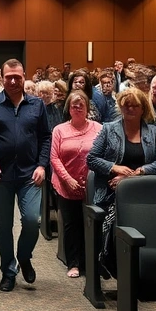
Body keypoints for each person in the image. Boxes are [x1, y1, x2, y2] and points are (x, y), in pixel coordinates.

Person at [0, 59, 51, 292]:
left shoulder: (37, 105)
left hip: (31, 173)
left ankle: (24, 256)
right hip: (1, 175)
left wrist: (42, 165)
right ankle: (8, 271)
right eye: (8, 77)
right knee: (4, 225)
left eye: (17, 77)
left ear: (23, 76)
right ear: (2, 78)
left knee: (32, 220)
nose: (12, 80)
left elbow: (46, 138)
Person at [88, 87, 156, 275]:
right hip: (110, 192)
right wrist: (114, 167)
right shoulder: (108, 129)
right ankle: (113, 264)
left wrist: (136, 173)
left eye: (134, 105)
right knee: (117, 221)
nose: (130, 109)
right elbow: (92, 159)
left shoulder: (154, 133)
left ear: (143, 109)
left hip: (144, 192)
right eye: (126, 105)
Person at [51, 90, 102, 278]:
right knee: (72, 225)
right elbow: (54, 158)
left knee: (92, 223)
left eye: (81, 105)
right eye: (74, 105)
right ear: (68, 109)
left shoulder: (98, 128)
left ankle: (92, 262)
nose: (78, 108)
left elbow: (103, 154)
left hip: (92, 185)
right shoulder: (59, 130)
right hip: (66, 185)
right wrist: (68, 180)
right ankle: (73, 263)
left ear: (88, 108)